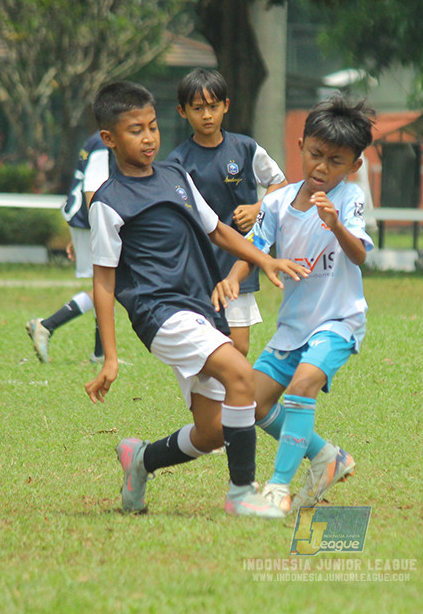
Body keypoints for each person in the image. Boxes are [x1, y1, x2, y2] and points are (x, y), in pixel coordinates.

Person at [82, 80, 308, 518]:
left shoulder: (175, 177)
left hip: (201, 310)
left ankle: (140, 459)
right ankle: (241, 494)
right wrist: (110, 357)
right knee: (241, 375)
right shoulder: (109, 202)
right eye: (135, 130)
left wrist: (265, 260)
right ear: (109, 138)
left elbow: (218, 230)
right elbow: (104, 282)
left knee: (212, 432)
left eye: (152, 127)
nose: (148, 138)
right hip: (160, 314)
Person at [216, 93, 375, 514]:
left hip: (339, 320)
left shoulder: (349, 198)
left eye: (336, 161)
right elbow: (254, 247)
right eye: (315, 154)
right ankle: (326, 457)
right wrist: (232, 278)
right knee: (252, 403)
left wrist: (336, 225)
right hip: (293, 327)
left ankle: (277, 487)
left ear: (354, 165)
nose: (322, 167)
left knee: (303, 386)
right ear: (301, 145)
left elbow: (360, 255)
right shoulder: (276, 202)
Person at [165, 68, 288, 356]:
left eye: (213, 106)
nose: (207, 115)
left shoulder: (245, 148)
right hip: (199, 265)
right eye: (198, 108)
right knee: (205, 342)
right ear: (183, 112)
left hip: (239, 261)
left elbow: (280, 183)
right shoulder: (178, 161)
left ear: (226, 106)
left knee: (239, 345)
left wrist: (259, 207)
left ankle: (230, 388)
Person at [25, 132, 110, 364]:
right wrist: (98, 229)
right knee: (109, 286)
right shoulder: (104, 143)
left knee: (106, 286)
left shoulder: (96, 139)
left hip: (84, 222)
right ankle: (47, 325)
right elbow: (93, 189)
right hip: (91, 222)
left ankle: (100, 354)